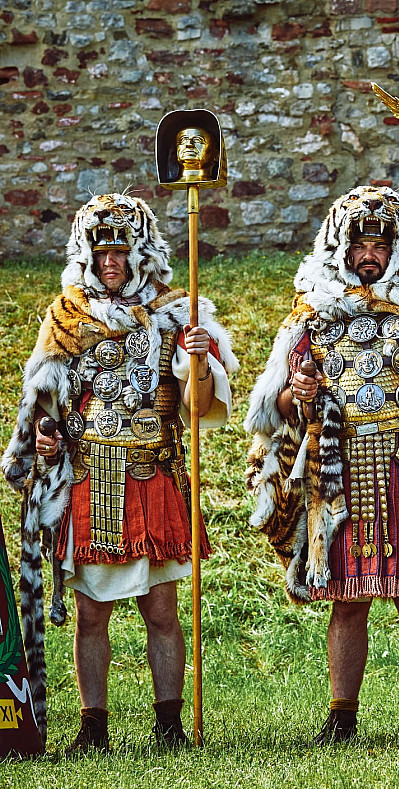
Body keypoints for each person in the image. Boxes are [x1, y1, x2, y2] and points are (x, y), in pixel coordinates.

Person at [245, 185, 399, 744]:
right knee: (348, 602)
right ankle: (341, 719)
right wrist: (301, 391)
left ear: (398, 247)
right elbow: (279, 405)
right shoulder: (313, 308)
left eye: (380, 244)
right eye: (359, 244)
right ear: (342, 247)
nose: (369, 254)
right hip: (340, 468)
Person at [1, 193, 238, 752]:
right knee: (90, 614)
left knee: (162, 610)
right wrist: (44, 436)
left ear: (141, 254)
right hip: (89, 478)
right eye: (101, 252)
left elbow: (200, 407)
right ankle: (93, 729)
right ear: (86, 255)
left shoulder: (176, 314)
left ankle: (170, 726)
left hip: (152, 473)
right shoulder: (67, 317)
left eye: (121, 252)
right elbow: (44, 406)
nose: (111, 262)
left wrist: (198, 361)